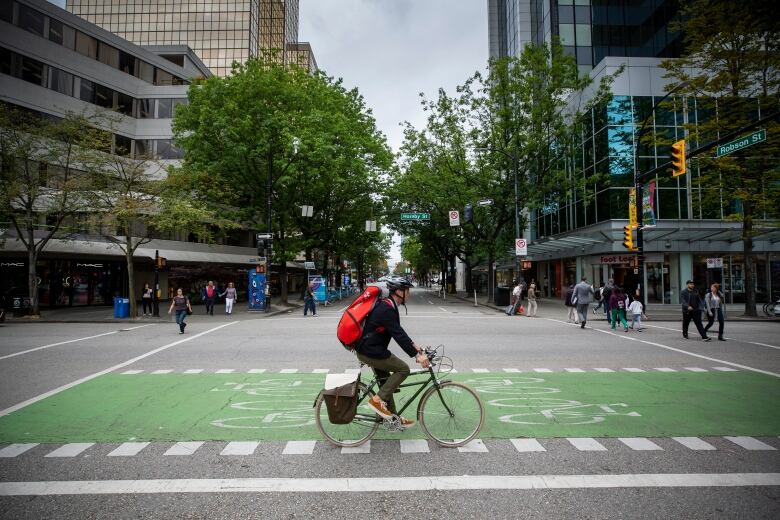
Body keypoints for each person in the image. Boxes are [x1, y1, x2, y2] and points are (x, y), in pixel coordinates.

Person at [356, 276, 429, 427]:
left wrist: (415, 346)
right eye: (407, 290)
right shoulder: (386, 308)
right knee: (403, 369)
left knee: (385, 385)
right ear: (398, 292)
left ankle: (392, 418)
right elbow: (398, 335)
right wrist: (417, 356)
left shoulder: (389, 305)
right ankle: (376, 401)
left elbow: (398, 331)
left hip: (372, 349)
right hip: (371, 352)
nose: (408, 294)